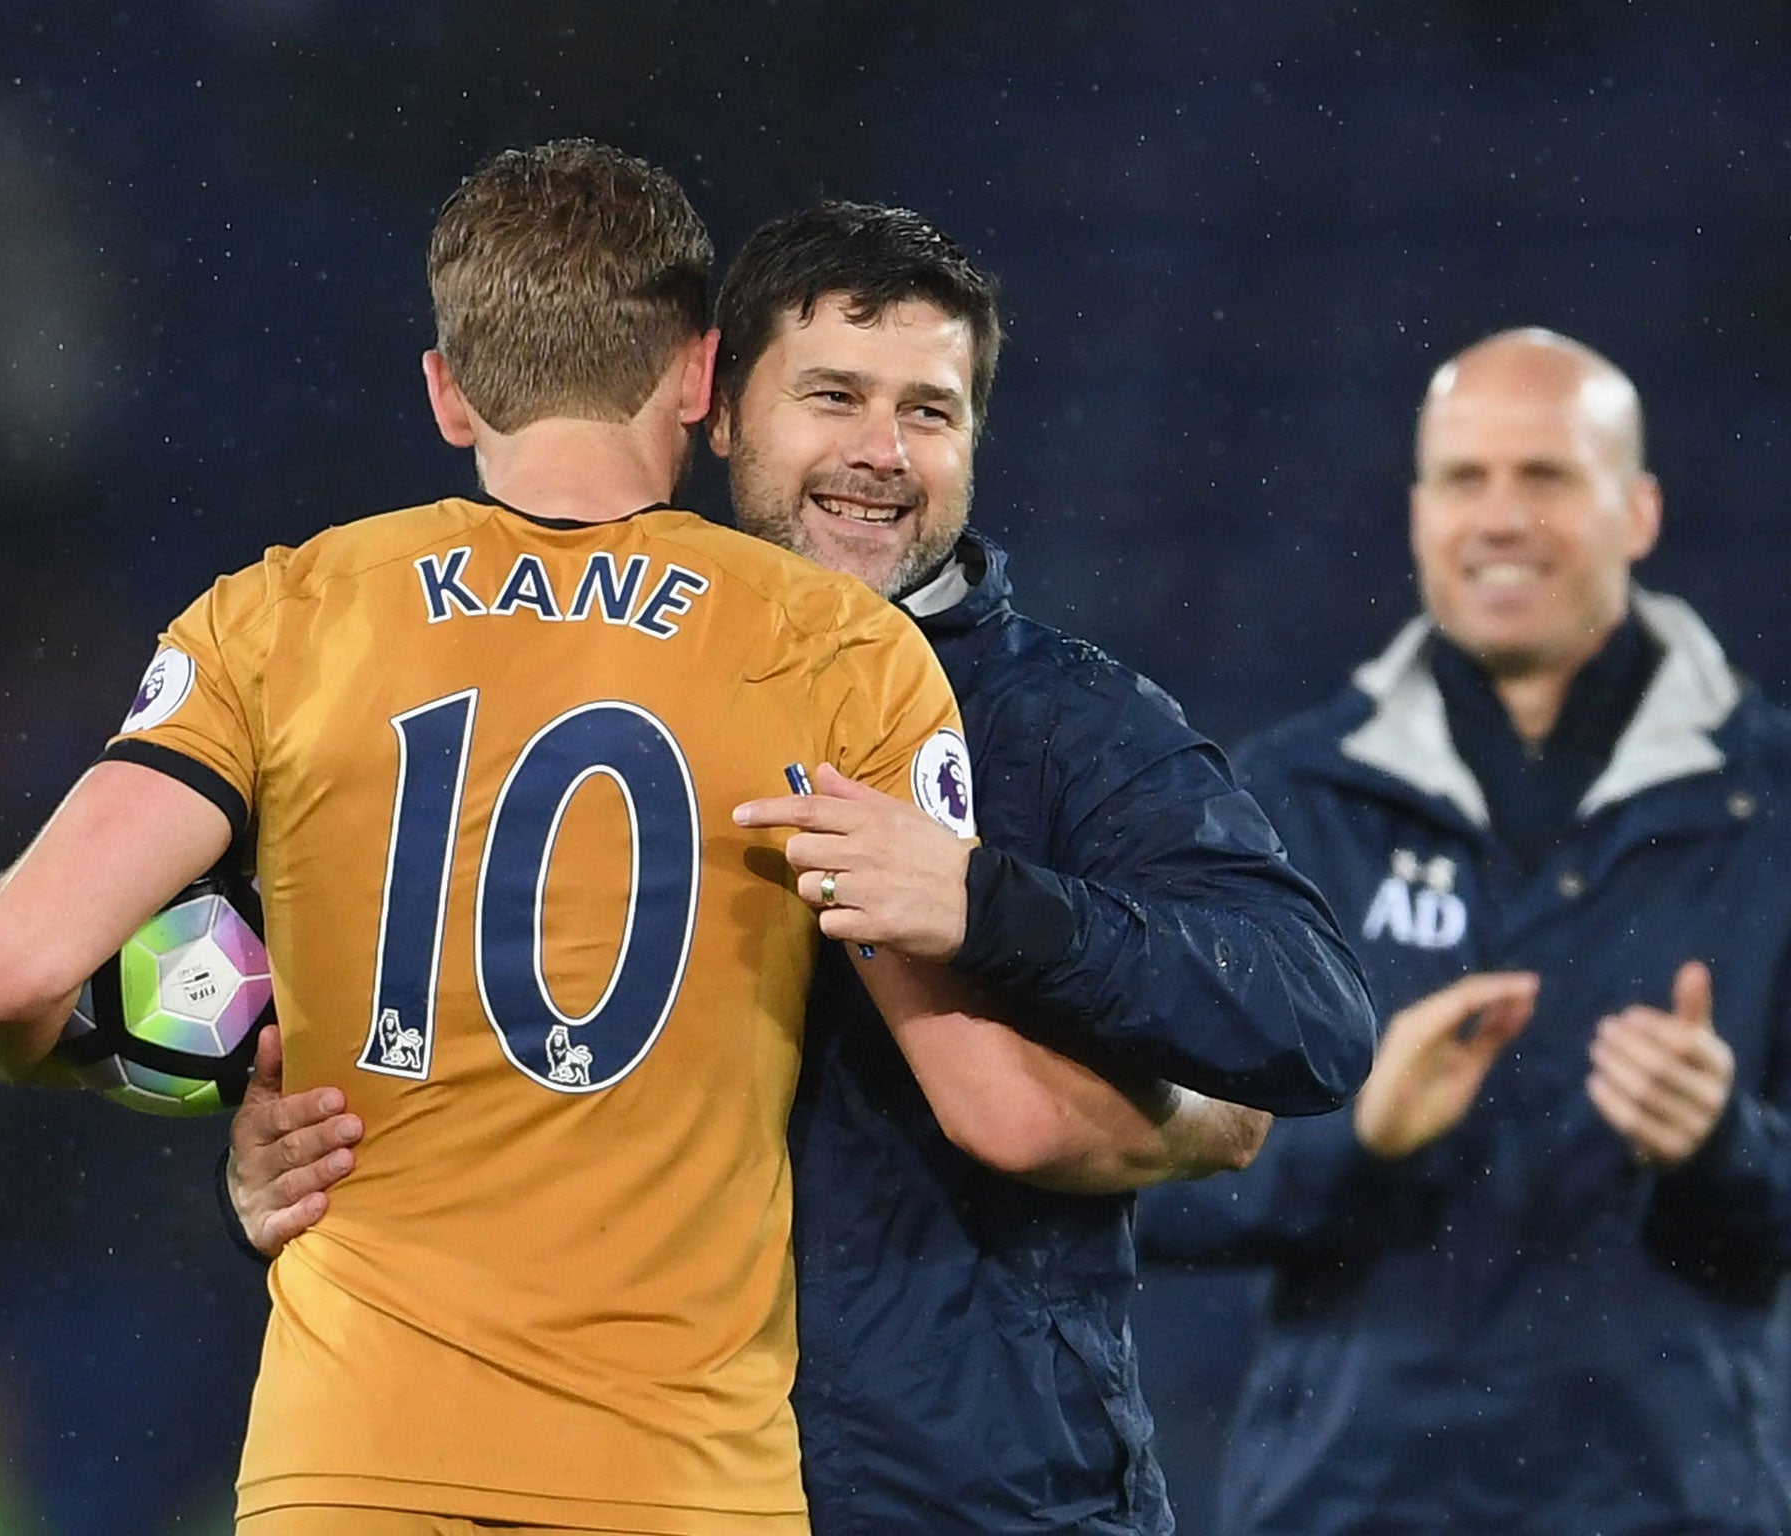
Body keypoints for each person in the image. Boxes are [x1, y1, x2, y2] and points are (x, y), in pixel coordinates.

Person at [228, 200, 1379, 1534]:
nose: (881, 456)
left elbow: (1311, 1019)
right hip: (635, 1483)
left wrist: (983, 899)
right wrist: (282, 1157)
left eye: (932, 414)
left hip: (982, 1502)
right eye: (833, 396)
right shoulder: (542, 682)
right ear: (716, 403)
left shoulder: (1072, 726)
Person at [0, 142, 984, 1536]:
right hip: (674, 1482)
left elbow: (5, 971)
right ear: (697, 375)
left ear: (445, 390)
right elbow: (997, 1101)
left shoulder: (288, 614)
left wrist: (115, 1065)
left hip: (355, 1465)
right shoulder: (841, 651)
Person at [1142, 328, 1791, 1535]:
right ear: (1416, 512)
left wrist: (1725, 1146)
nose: (1496, 518)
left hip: (1668, 1505)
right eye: (1461, 479)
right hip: (1353, 1507)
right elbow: (1136, 1187)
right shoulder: (1285, 800)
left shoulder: (1771, 804)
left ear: (1637, 511)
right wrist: (1352, 1133)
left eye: (1544, 477)